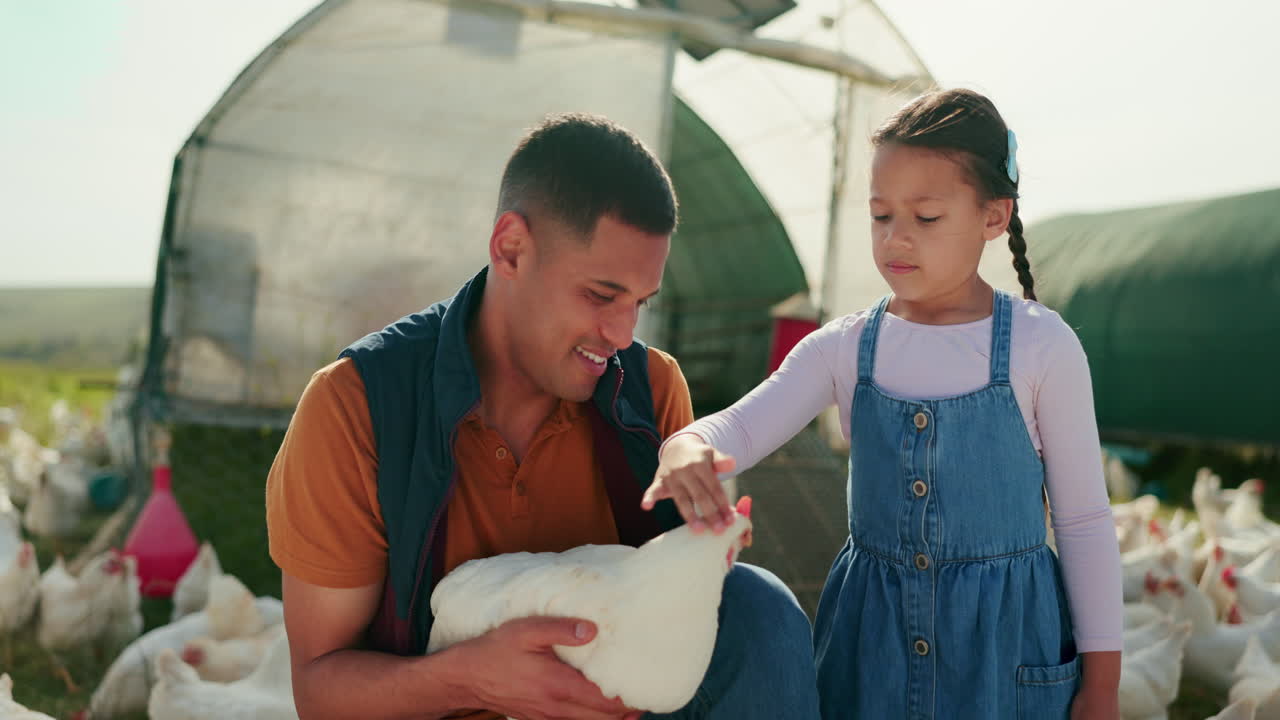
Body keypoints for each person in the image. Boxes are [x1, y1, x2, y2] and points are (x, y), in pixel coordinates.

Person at [265, 112, 821, 720]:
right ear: (511, 249)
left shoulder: (650, 386)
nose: (620, 333)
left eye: (640, 303)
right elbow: (319, 691)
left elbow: (664, 623)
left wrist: (700, 554)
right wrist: (470, 680)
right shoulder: (357, 406)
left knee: (756, 609)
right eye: (601, 295)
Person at [645, 89, 1123, 719]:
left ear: (994, 216)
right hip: (871, 652)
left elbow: (1084, 521)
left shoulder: (1042, 345)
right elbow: (739, 424)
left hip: (1008, 658)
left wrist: (1104, 686)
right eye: (880, 216)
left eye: (925, 218)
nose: (896, 239)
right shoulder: (846, 348)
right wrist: (685, 446)